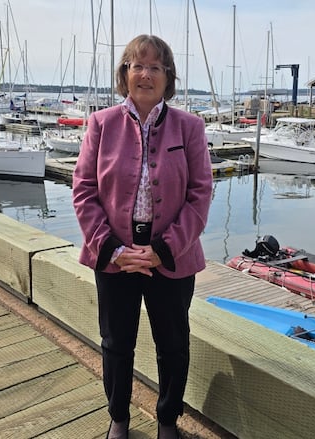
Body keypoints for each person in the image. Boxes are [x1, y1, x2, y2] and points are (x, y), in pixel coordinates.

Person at [72, 34, 213, 439]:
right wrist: (113, 250)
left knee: (174, 345)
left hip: (172, 257)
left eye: (155, 67)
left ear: (168, 77)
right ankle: (119, 416)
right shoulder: (101, 124)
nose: (145, 74)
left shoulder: (190, 126)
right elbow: (83, 190)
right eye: (137, 65)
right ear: (125, 74)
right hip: (114, 256)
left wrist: (163, 249)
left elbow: (200, 194)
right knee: (116, 343)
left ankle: (168, 418)